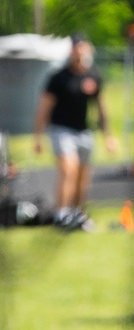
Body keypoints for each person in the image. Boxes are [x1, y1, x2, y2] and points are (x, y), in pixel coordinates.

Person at [32, 33, 119, 232]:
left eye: (83, 47)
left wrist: (109, 136)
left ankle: (78, 214)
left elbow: (101, 108)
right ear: (71, 51)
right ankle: (61, 214)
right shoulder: (58, 78)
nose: (80, 51)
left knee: (83, 175)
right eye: (76, 47)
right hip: (61, 130)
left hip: (84, 132)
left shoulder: (93, 75)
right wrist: (37, 137)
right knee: (69, 169)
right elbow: (44, 108)